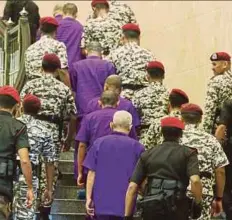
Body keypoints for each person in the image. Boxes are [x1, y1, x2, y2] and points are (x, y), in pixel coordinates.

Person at [20, 53, 76, 219]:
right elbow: (73, 116)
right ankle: (45, 210)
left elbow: (20, 107)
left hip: (28, 130)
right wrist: (68, 138)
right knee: (48, 171)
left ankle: (26, 207)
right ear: (58, 70)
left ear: (41, 67)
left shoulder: (30, 85)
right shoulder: (64, 89)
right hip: (51, 132)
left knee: (27, 167)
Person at [125, 117, 203, 220]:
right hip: (177, 209)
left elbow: (132, 187)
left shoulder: (148, 154)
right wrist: (198, 203)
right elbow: (195, 180)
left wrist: (127, 216)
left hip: (151, 208)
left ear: (162, 133)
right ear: (180, 134)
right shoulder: (188, 153)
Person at [84, 111, 144, 220]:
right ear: (130, 127)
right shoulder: (138, 147)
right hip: (125, 207)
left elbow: (91, 173)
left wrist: (88, 198)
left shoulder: (99, 143)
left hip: (100, 205)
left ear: (111, 125)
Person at [180, 103, 229, 220]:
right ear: (200, 119)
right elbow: (220, 171)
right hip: (203, 192)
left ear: (181, 118)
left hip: (177, 189)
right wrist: (219, 198)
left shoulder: (174, 138)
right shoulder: (211, 140)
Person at [14, 94, 56, 220]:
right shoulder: (44, 130)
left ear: (22, 106)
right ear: (39, 110)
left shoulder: (11, 124)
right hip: (29, 178)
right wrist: (49, 188)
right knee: (25, 216)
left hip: (7, 174)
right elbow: (49, 162)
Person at [0, 86, 34, 219]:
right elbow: (24, 160)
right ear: (16, 106)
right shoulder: (18, 127)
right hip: (3, 186)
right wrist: (30, 187)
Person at [106, 23, 155, 100]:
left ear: (123, 37)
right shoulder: (149, 54)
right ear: (139, 37)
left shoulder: (115, 54)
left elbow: (109, 75)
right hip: (144, 96)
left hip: (124, 95)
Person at [70, 41, 115, 118]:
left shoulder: (76, 66)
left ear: (86, 51)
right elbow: (112, 88)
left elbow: (73, 88)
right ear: (101, 52)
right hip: (102, 107)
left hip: (82, 108)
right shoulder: (108, 66)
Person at [132, 61, 169, 143]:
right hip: (165, 137)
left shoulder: (139, 94)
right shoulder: (169, 94)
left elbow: (134, 117)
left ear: (147, 76)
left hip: (145, 137)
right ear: (163, 76)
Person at [25, 16, 68, 81]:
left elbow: (27, 73)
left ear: (40, 30)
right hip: (52, 86)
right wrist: (68, 89)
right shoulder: (58, 46)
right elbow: (63, 71)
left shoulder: (29, 49)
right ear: (55, 31)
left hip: (33, 86)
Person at [203, 52, 232, 134]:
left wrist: (206, 134)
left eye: (214, 64)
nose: (212, 68)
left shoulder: (216, 81)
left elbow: (210, 109)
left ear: (225, 64)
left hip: (220, 130)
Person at [215, 100, 232, 219]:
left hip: (230, 150)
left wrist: (216, 146)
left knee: (227, 185)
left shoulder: (229, 104)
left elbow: (221, 127)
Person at [56, 3, 84, 69]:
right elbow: (82, 45)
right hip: (75, 64)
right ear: (76, 14)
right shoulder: (79, 27)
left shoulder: (57, 25)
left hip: (59, 64)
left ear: (63, 12)